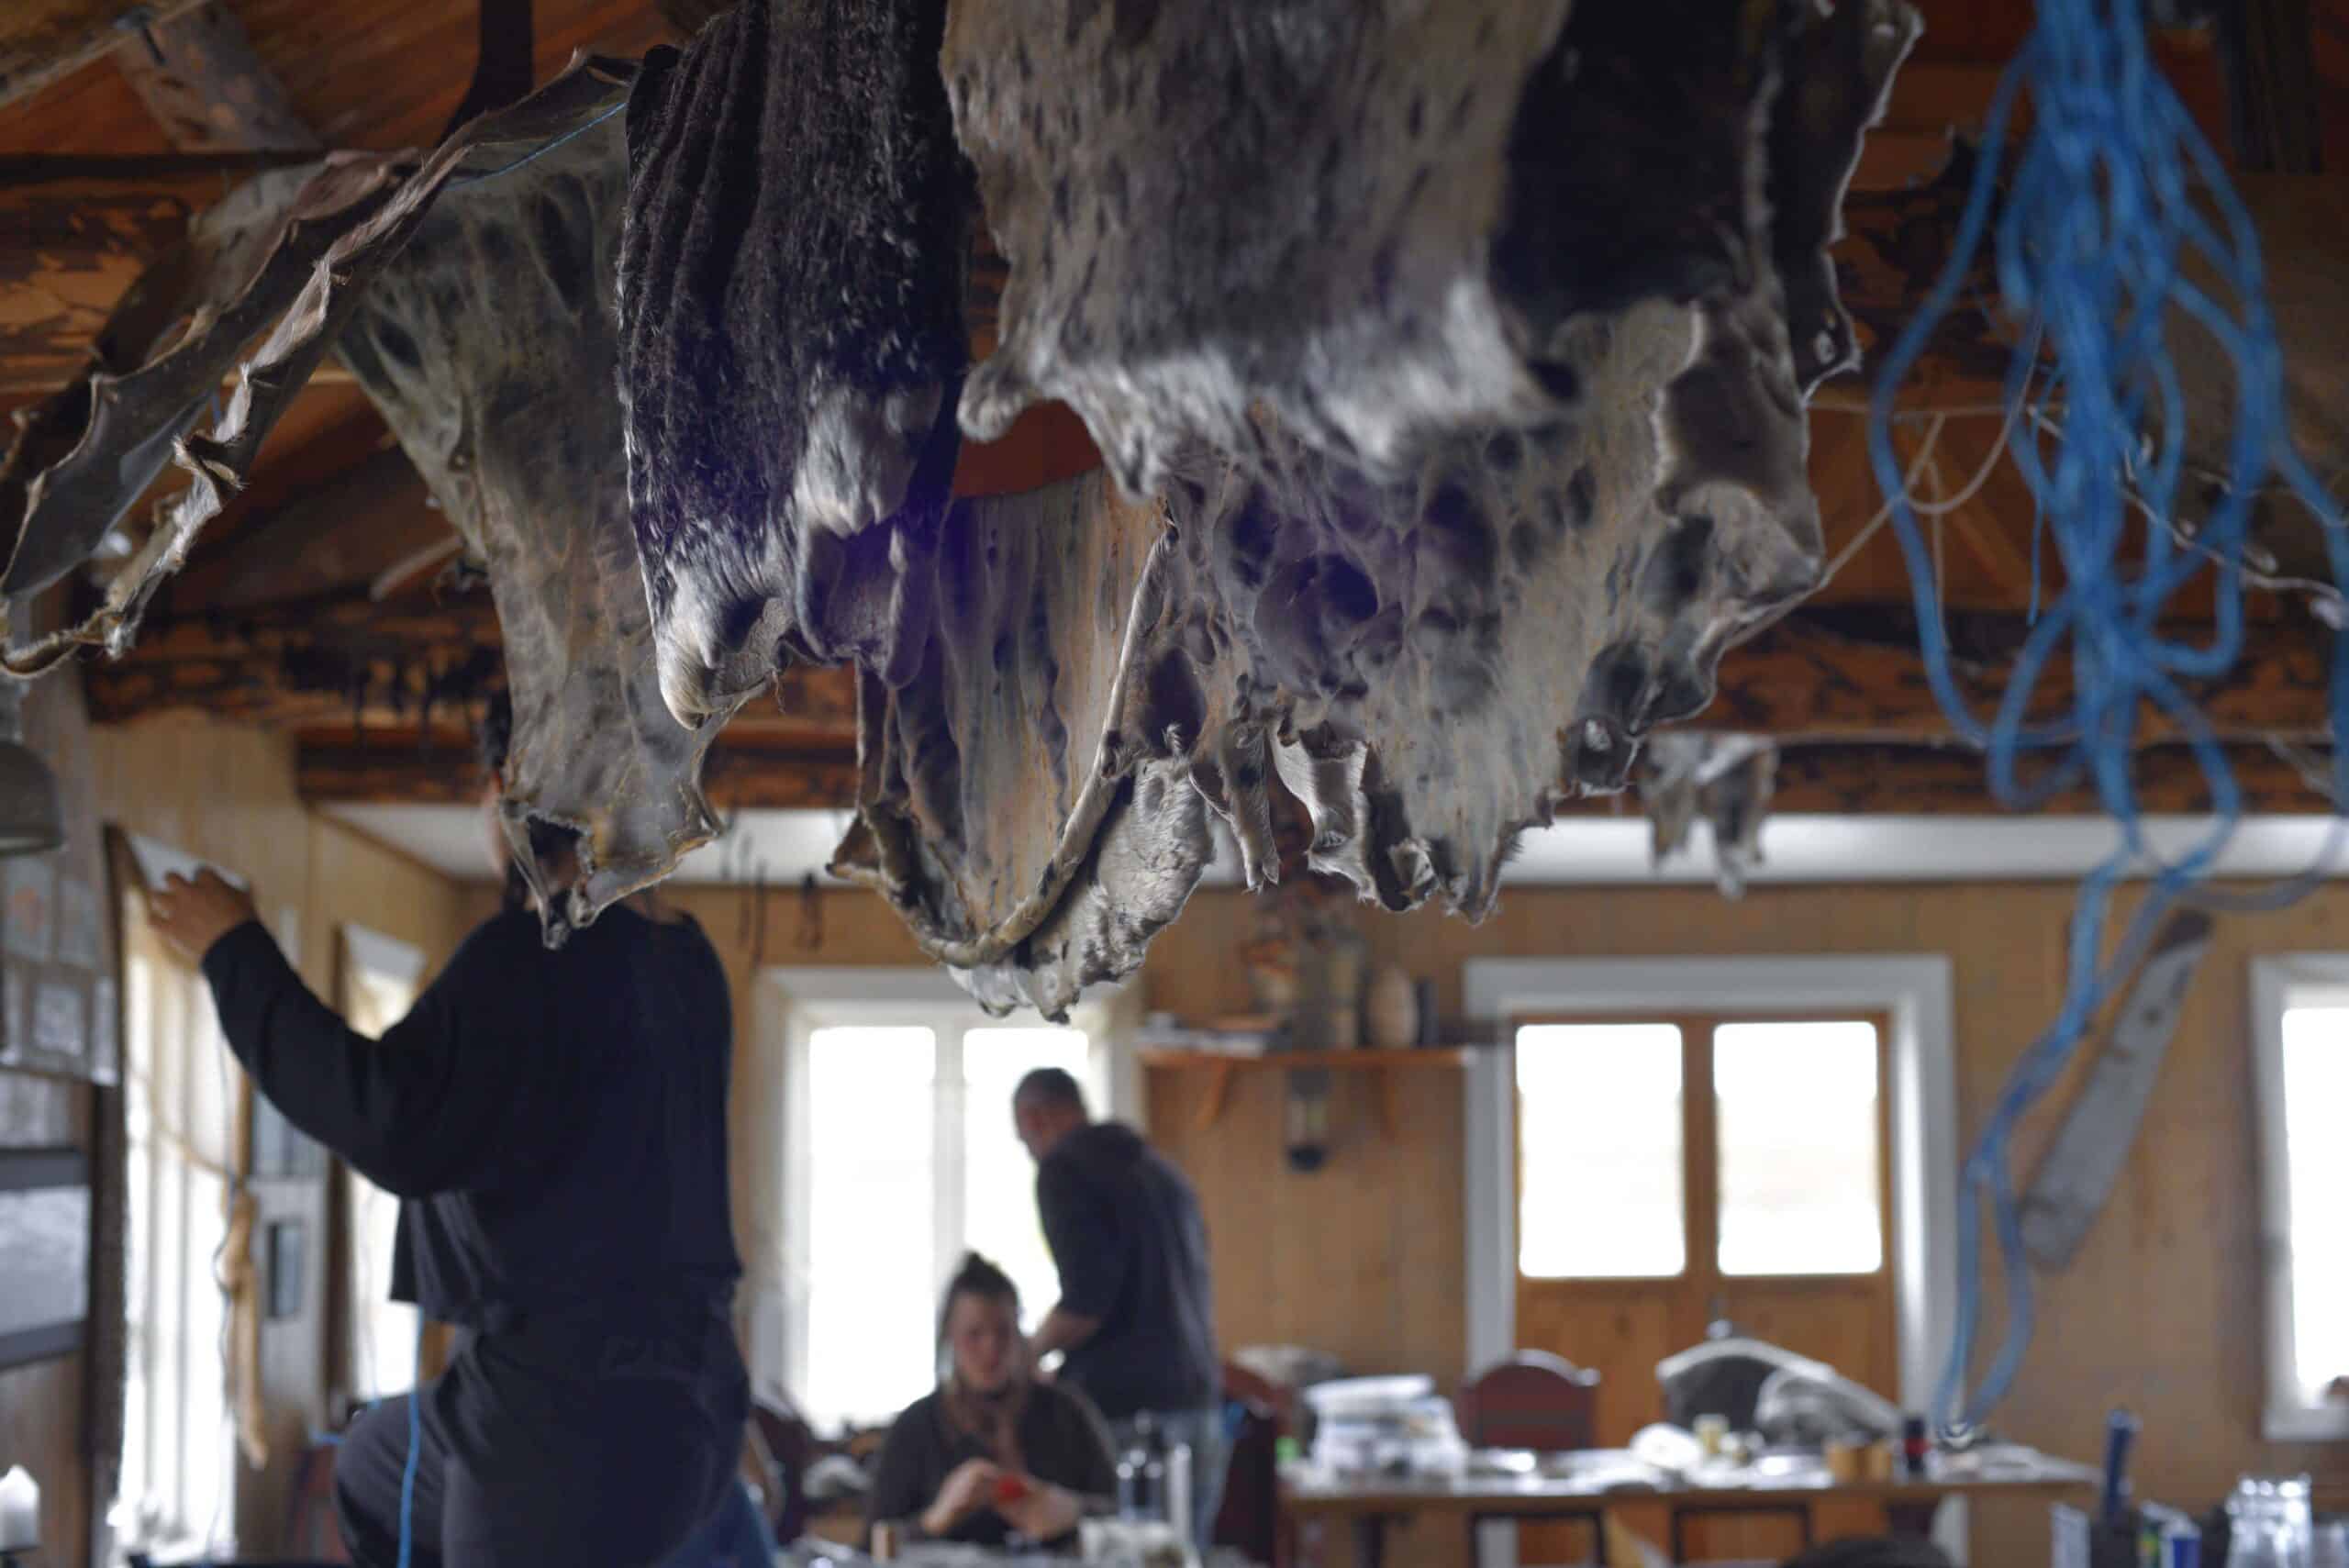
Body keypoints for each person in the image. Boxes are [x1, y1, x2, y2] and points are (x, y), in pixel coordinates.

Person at [145, 695, 749, 1568]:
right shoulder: (687, 967)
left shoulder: (529, 958)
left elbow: (390, 1118)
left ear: (505, 788)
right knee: (369, 1462)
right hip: (692, 1407)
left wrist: (234, 951)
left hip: (563, 1422)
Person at [1013, 1068, 1226, 1547]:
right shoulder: (1161, 1170)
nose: (1029, 1153)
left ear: (1035, 1118)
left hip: (1129, 1417)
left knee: (1124, 1553)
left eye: (1023, 1140)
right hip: (1201, 1404)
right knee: (1184, 1555)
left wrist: (1026, 1355)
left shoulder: (1064, 1168)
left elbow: (1086, 1303)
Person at [864, 1252, 1116, 1549]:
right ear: (951, 1339)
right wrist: (933, 1520)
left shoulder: (1067, 1412)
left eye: (1003, 1333)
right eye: (974, 1335)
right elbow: (870, 1547)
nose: (991, 1349)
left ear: (1020, 1335)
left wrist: (1074, 1511)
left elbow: (1133, 1519)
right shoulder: (916, 1427)